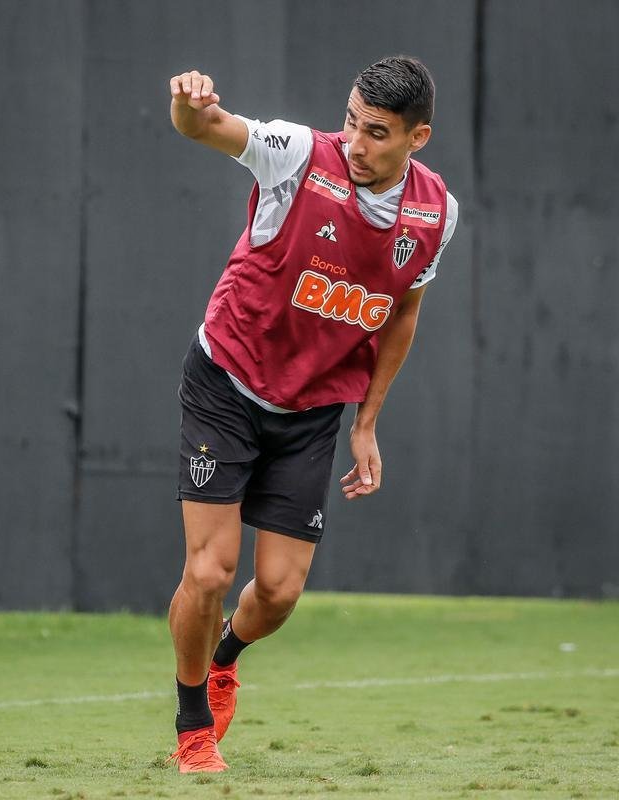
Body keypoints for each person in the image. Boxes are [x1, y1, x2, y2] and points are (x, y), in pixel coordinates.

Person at [164, 56, 458, 772]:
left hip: (312, 409)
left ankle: (227, 655)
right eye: (352, 120)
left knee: (280, 591)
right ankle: (192, 721)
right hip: (227, 380)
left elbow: (401, 314)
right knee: (209, 572)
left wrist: (367, 422)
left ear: (417, 138)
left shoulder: (435, 214)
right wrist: (189, 99)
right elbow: (204, 127)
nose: (356, 142)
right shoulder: (298, 154)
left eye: (377, 133)